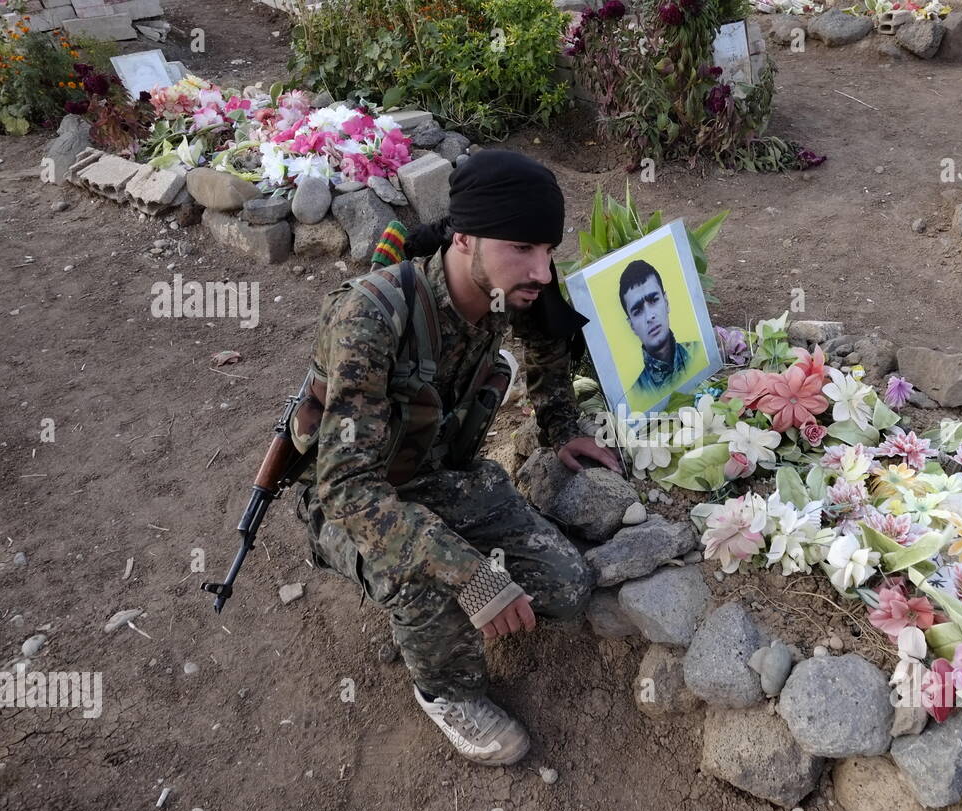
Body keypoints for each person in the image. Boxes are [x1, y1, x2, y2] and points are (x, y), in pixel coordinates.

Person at [291, 150, 621, 766]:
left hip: (439, 479)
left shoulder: (511, 289)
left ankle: (442, 602)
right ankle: (445, 691)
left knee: (567, 587)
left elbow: (548, 340)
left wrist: (560, 428)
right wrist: (469, 573)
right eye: (523, 248)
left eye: (548, 250)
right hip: (350, 503)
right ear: (463, 236)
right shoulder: (371, 315)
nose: (542, 271)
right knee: (425, 582)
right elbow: (345, 488)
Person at [617, 259, 701, 406]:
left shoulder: (701, 353)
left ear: (666, 302)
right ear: (631, 326)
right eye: (637, 311)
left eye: (654, 300)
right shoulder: (636, 397)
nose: (650, 317)